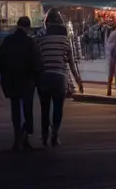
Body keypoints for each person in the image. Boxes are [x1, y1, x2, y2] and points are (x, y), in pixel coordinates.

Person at [35, 9, 82, 147]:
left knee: (44, 109)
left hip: (44, 77)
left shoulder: (41, 39)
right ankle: (55, 134)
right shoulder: (65, 40)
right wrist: (78, 80)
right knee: (57, 108)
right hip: (59, 77)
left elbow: (37, 60)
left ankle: (44, 136)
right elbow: (71, 62)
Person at [0, 16, 40, 151]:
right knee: (27, 108)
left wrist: (4, 74)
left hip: (12, 80)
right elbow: (36, 62)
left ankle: (16, 138)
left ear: (17, 25)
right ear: (27, 27)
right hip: (27, 80)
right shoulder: (30, 42)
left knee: (15, 109)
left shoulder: (8, 40)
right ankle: (25, 137)